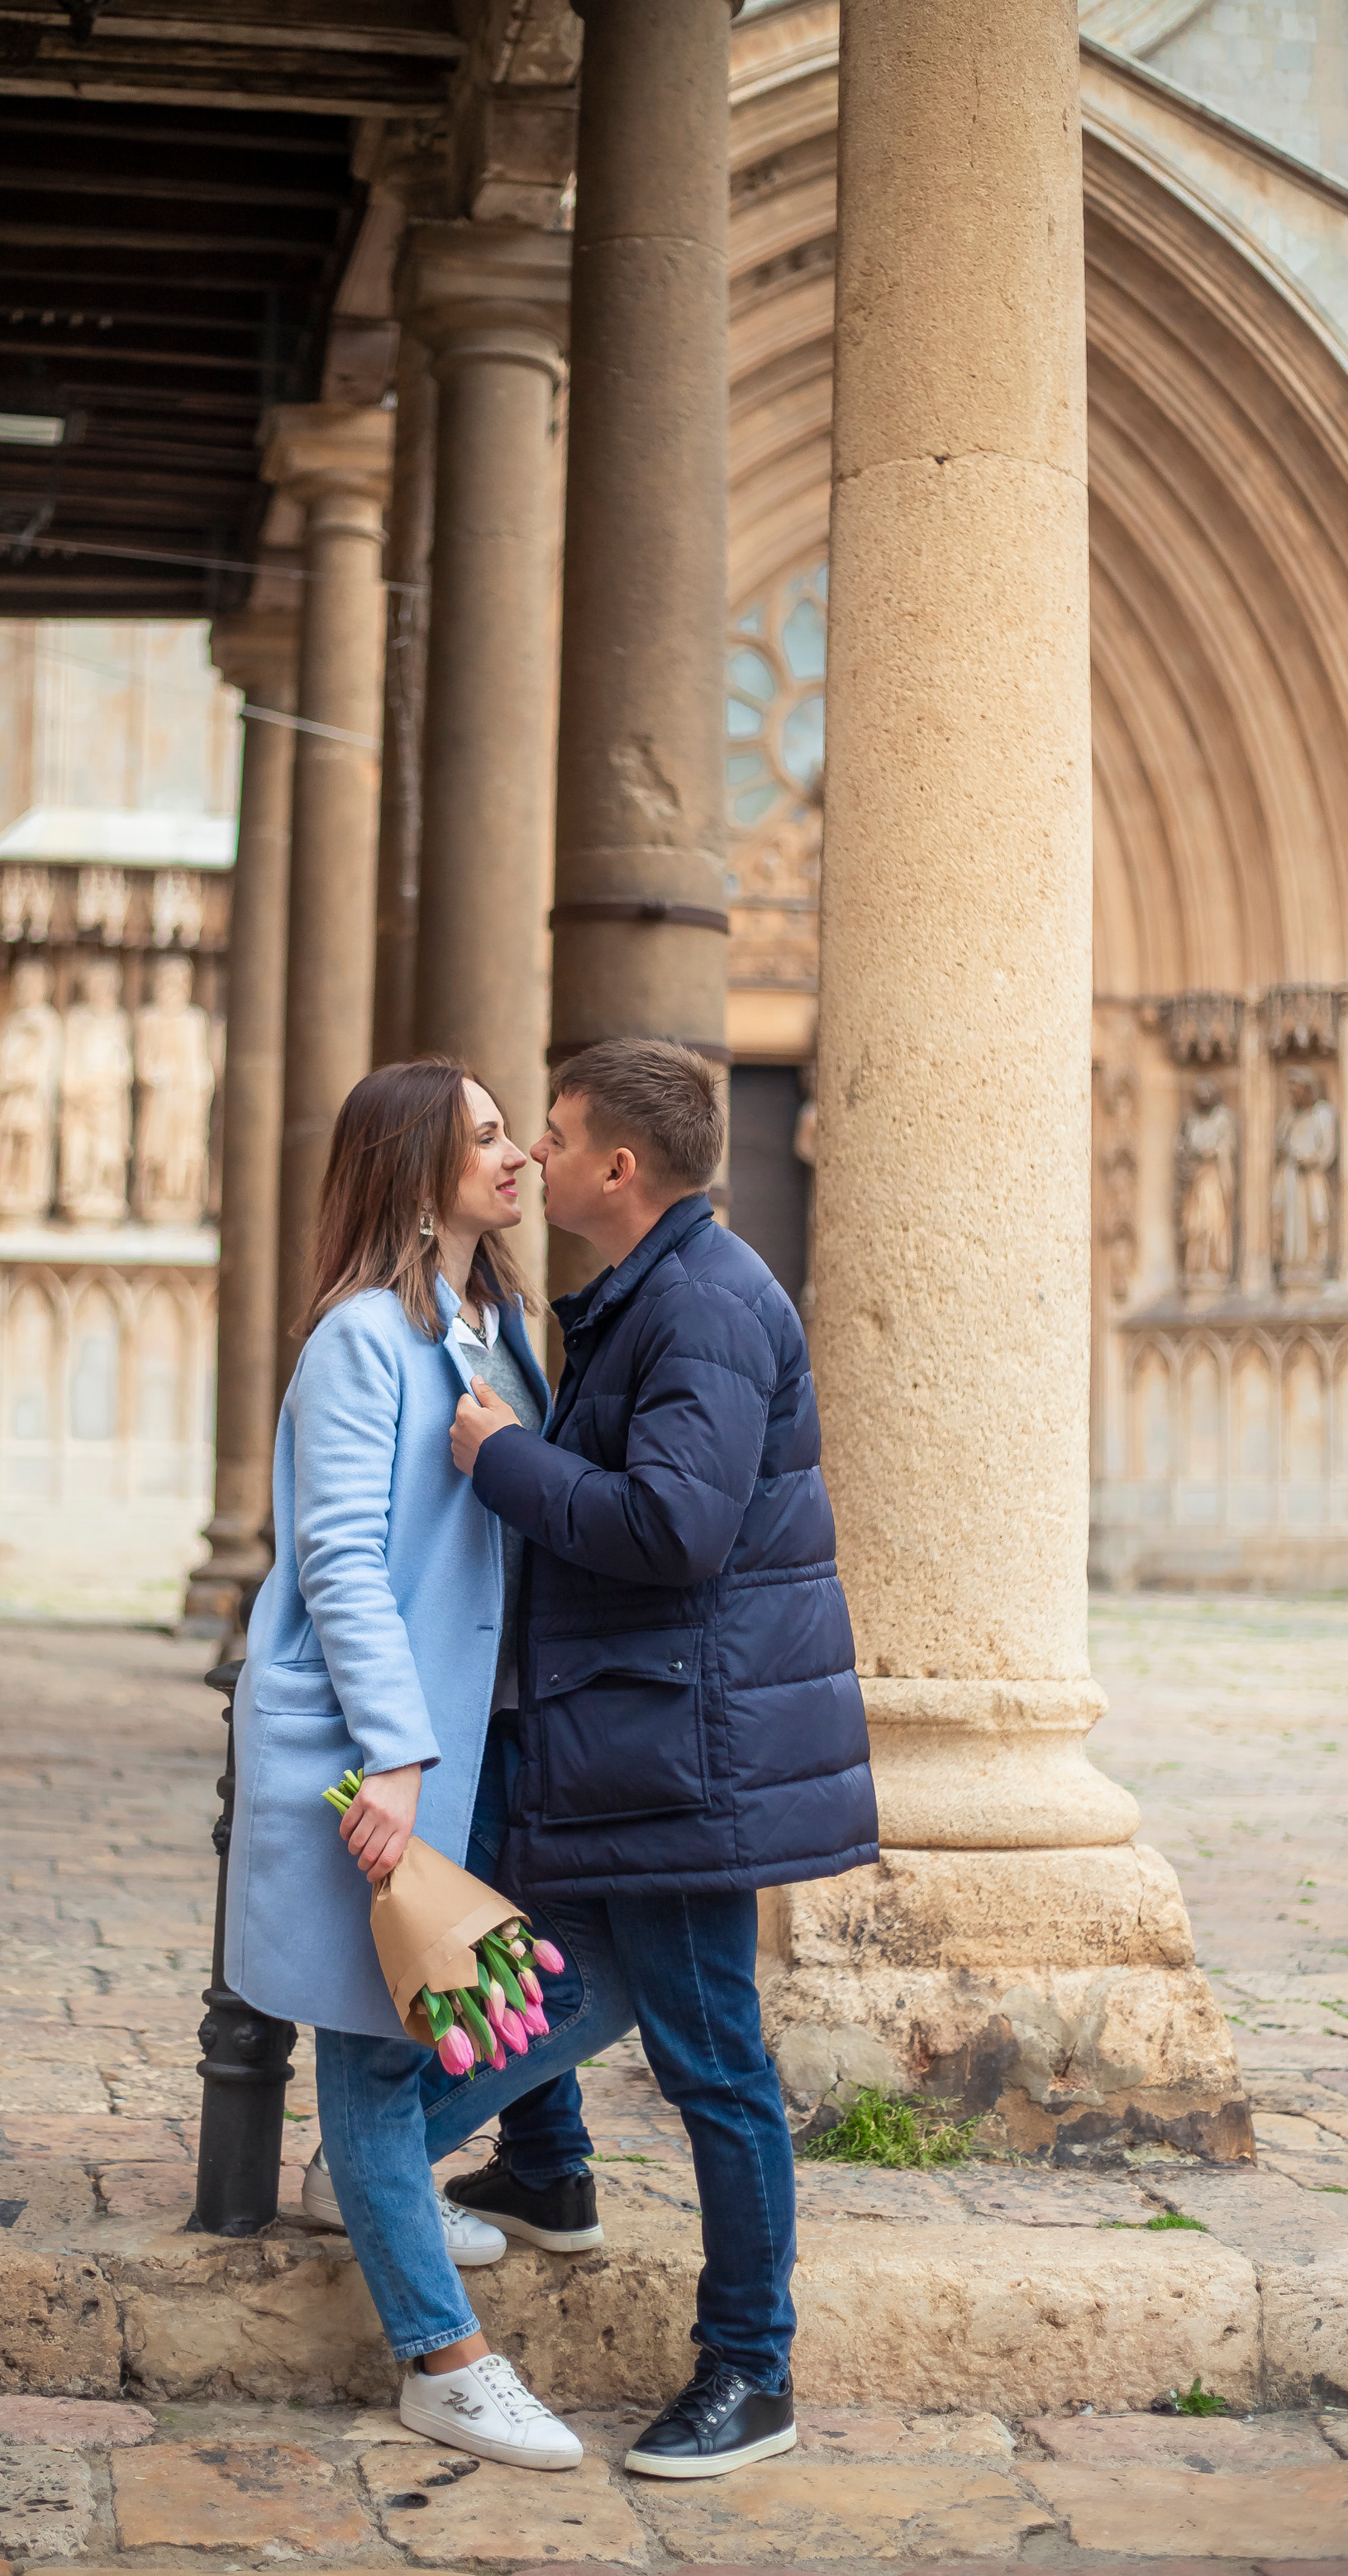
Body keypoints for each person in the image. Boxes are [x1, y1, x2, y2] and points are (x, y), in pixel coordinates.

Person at [445, 1038, 877, 2478]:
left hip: (697, 1751)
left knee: (715, 2059)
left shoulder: (702, 1307)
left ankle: (752, 2371)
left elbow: (675, 1531)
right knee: (529, 1925)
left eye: (556, 1136)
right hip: (644, 1725)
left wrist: (501, 1457)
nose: (538, 1159)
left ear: (618, 1168)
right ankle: (551, 2168)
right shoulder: (657, 1288)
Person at [222, 1059, 590, 2470]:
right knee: (379, 2054)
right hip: (381, 1752)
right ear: (410, 1169)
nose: (513, 1159)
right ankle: (444, 2360)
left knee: (506, 2000)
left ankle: (376, 2184)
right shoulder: (358, 1342)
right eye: (484, 1138)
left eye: (511, 1135)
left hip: (479, 1739)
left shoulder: (494, 1323)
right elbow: (340, 1562)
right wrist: (395, 1755)